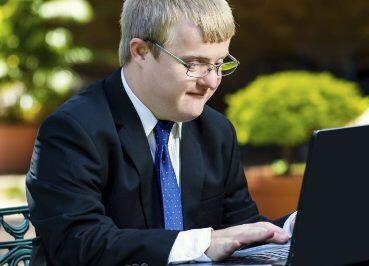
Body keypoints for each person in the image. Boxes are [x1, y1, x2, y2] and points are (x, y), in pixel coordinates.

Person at [26, 0, 296, 265]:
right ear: (141, 51)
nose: (212, 81)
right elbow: (78, 243)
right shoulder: (73, 130)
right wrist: (201, 243)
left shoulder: (217, 131)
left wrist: (296, 226)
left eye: (219, 63)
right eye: (195, 63)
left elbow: (240, 229)